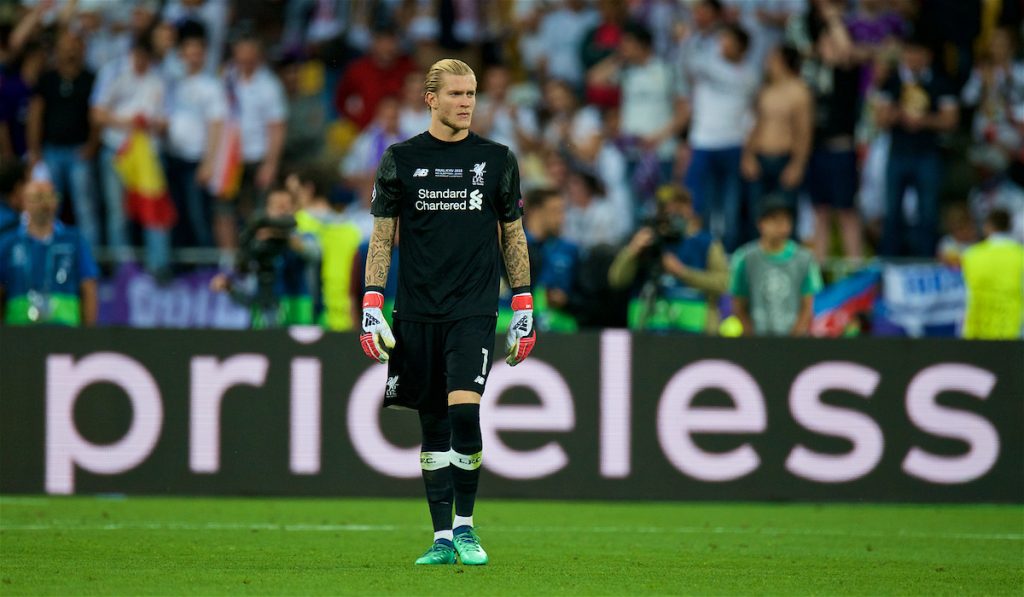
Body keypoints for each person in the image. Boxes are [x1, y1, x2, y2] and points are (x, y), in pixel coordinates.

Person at [359, 58, 535, 566]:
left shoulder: (497, 159)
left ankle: (466, 527)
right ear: (430, 99)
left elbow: (513, 234)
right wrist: (372, 300)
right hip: (415, 310)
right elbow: (382, 236)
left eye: (472, 93)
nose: (467, 102)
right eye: (456, 94)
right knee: (432, 427)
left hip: (473, 310)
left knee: (464, 409)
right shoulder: (400, 159)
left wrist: (522, 302)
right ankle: (440, 537)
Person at [874, 33, 959, 257]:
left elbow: (951, 120)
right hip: (898, 153)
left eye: (917, 53)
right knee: (892, 212)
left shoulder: (940, 81)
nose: (912, 58)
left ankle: (925, 261)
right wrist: (900, 114)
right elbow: (879, 119)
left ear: (928, 56)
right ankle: (890, 262)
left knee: (928, 213)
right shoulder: (892, 81)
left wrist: (924, 121)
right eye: (908, 53)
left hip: (927, 155)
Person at [609, 184, 729, 334]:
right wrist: (632, 251)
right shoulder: (648, 241)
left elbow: (724, 283)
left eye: (678, 207)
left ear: (689, 208)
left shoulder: (706, 243)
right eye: (666, 208)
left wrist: (683, 272)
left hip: (696, 333)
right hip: (648, 331)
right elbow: (617, 280)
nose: (672, 213)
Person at [683, 23, 759, 251]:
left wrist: (748, 149)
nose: (722, 45)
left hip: (733, 144)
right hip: (703, 143)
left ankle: (728, 256)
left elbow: (752, 113)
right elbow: (686, 63)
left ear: (742, 48)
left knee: (730, 207)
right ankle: (702, 254)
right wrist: (690, 36)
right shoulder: (705, 64)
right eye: (721, 39)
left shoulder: (750, 75)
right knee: (699, 204)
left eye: (728, 40)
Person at [27, 30, 99, 250]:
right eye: (65, 46)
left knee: (85, 207)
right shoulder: (47, 78)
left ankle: (90, 259)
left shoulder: (90, 78)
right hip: (51, 152)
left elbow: (96, 114)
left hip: (79, 152)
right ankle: (45, 253)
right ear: (57, 50)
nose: (69, 50)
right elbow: (36, 114)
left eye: (74, 45)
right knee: (47, 206)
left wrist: (92, 145)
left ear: (82, 49)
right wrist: (35, 149)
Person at [209, 186, 315, 328]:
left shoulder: (303, 235)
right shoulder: (256, 243)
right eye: (276, 206)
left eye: (285, 206)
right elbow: (245, 284)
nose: (281, 211)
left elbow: (312, 253)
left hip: (297, 309)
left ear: (293, 208)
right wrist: (229, 286)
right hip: (264, 309)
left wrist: (277, 234)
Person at [0, 180, 98, 326]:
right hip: (18, 332)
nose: (45, 204)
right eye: (38, 197)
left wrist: (90, 334)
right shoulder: (9, 243)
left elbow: (88, 286)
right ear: (24, 202)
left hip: (66, 331)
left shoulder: (74, 240)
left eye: (50, 197)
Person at [164, 21, 227, 249]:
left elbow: (216, 125)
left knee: (198, 216)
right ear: (181, 54)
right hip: (172, 157)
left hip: (196, 160)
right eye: (188, 53)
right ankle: (183, 271)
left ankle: (205, 268)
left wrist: (209, 163)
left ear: (204, 55)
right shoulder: (173, 82)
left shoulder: (211, 86)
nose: (193, 58)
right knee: (175, 215)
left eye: (197, 53)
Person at [741, 44, 813, 235]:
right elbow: (755, 125)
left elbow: (804, 132)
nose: (767, 63)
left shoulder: (799, 91)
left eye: (772, 58)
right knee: (758, 215)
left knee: (785, 215)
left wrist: (797, 165)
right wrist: (748, 155)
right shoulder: (766, 91)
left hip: (785, 159)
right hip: (761, 157)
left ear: (782, 61)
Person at [730, 195, 823, 336]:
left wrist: (794, 339)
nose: (782, 226)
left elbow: (808, 306)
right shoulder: (745, 258)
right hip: (756, 341)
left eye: (787, 220)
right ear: (761, 223)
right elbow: (738, 305)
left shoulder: (805, 259)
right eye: (775, 220)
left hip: (795, 343)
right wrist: (752, 338)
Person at [522, 187, 579, 333]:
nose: (562, 218)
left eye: (563, 211)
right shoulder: (513, 249)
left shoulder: (570, 250)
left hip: (561, 334)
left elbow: (584, 296)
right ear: (535, 211)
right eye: (555, 211)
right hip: (518, 333)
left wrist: (566, 301)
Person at [961, 209, 1024, 339]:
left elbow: (963, 296)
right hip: (1013, 334)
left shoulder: (971, 254)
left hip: (977, 331)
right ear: (1009, 226)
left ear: (988, 226)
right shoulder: (1020, 255)